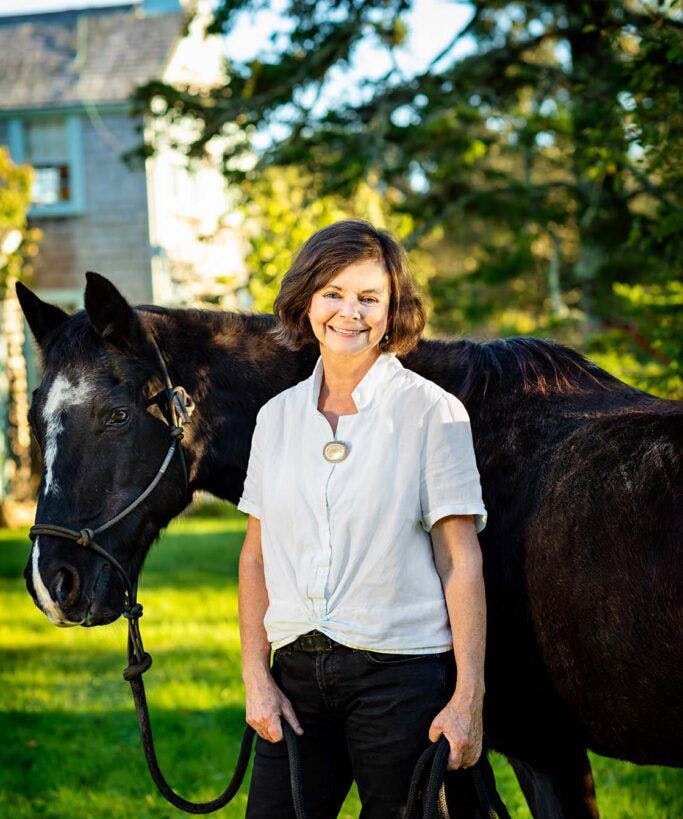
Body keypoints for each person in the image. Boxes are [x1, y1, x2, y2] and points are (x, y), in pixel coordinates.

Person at [237, 219, 488, 819]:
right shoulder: (275, 417)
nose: (350, 312)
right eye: (334, 293)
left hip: (400, 678)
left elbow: (459, 558)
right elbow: (256, 556)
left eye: (369, 297)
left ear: (392, 308)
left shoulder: (433, 412)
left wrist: (468, 697)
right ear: (307, 301)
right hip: (294, 675)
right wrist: (256, 677)